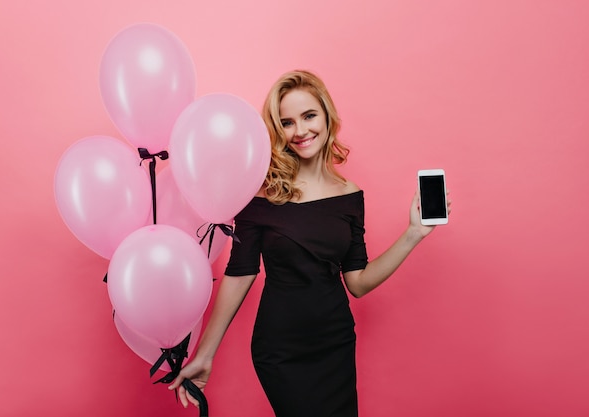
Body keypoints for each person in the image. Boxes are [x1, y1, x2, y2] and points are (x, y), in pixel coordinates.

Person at [169, 69, 450, 416]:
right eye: (287, 122)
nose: (300, 131)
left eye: (308, 116)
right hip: (281, 349)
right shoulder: (259, 195)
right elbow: (240, 273)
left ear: (327, 116)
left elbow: (357, 282)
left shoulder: (350, 196)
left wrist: (413, 234)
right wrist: (205, 354)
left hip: (335, 342)